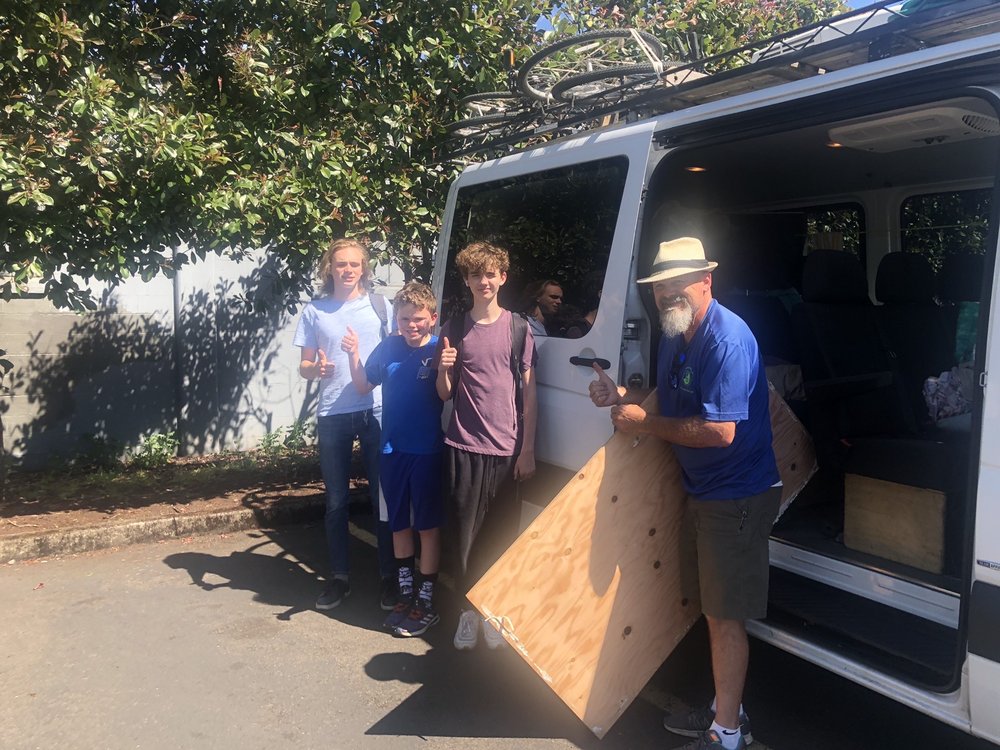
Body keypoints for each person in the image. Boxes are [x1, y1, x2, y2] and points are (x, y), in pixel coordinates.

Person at [589, 237, 780, 750]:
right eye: (660, 286)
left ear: (706, 281)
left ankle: (728, 734)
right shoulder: (677, 334)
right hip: (706, 493)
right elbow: (668, 405)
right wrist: (620, 396)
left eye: (679, 283)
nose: (668, 293)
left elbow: (720, 431)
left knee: (725, 617)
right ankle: (726, 709)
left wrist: (644, 424)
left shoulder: (726, 340)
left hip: (737, 497)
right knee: (713, 611)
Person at [437, 241, 538, 650]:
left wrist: (527, 449)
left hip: (507, 451)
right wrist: (444, 371)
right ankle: (467, 613)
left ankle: (494, 612)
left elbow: (529, 395)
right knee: (463, 538)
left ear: (503, 277)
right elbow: (445, 393)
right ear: (466, 280)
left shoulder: (519, 329)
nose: (484, 281)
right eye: (476, 274)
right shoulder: (453, 328)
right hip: (463, 446)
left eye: (491, 273)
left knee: (501, 537)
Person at [293, 238, 396, 612]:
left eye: (354, 264)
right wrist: (316, 369)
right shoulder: (315, 311)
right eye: (341, 264)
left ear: (363, 268)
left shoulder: (380, 307)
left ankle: (389, 578)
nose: (348, 270)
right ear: (330, 268)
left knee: (382, 497)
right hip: (333, 414)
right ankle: (339, 578)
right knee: (336, 501)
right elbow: (304, 366)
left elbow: (398, 351)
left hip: (375, 409)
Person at [341, 280, 445, 637]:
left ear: (433, 318)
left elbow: (446, 395)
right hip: (392, 452)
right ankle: (405, 595)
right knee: (398, 525)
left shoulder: (439, 349)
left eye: (418, 319)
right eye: (404, 319)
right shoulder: (388, 347)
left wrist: (446, 368)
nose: (411, 325)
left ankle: (426, 602)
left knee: (427, 528)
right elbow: (362, 385)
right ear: (396, 320)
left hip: (427, 452)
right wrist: (353, 354)